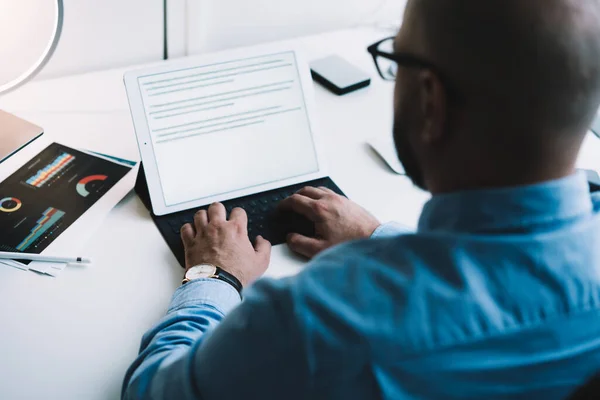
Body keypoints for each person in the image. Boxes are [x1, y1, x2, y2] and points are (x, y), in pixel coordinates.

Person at [122, 0, 600, 398]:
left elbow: (155, 392)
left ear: (430, 101)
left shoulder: (325, 320)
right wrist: (378, 237)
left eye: (397, 58)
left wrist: (214, 276)